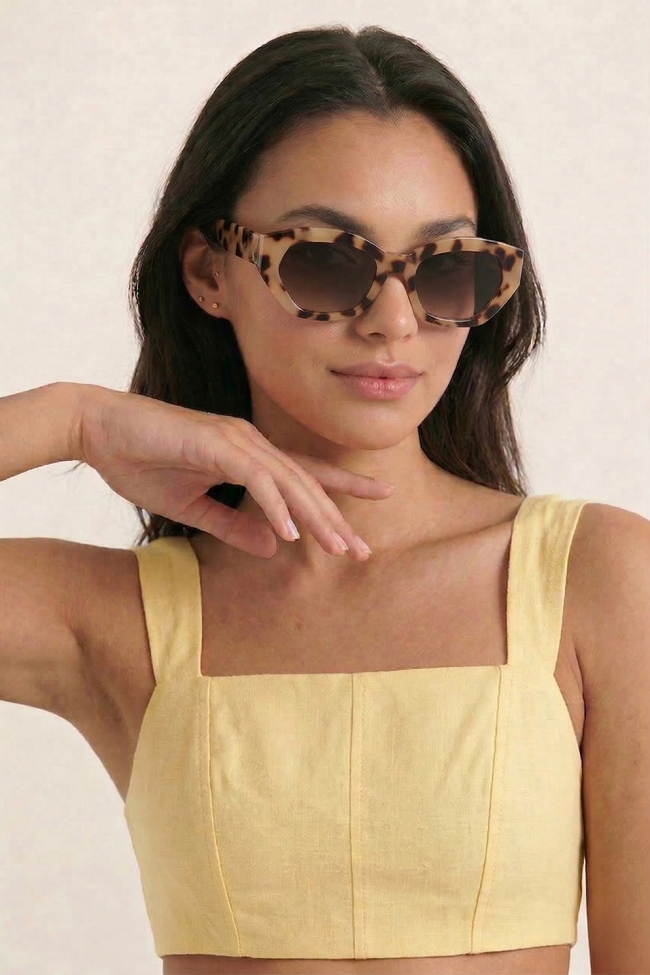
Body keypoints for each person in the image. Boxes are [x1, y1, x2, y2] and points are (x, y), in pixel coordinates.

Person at [2, 22, 649, 975]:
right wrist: (75, 422)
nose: (393, 320)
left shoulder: (598, 581)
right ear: (209, 273)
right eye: (326, 261)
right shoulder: (119, 621)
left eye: (446, 268)